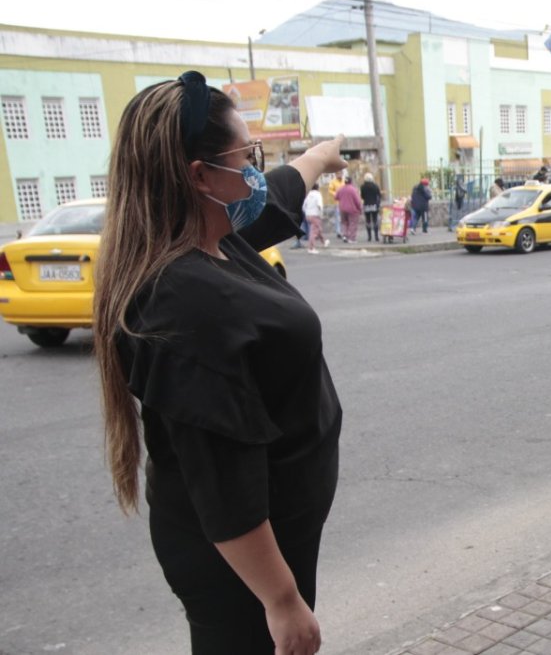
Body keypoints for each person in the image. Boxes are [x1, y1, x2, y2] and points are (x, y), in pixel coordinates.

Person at [92, 71, 346, 654]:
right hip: (242, 566)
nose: (256, 170)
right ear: (200, 176)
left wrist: (316, 158)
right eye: (247, 155)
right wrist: (281, 601)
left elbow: (279, 191)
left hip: (268, 545)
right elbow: (221, 476)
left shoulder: (213, 238)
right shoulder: (184, 299)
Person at [335, 175, 362, 243]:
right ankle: (352, 238)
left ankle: (345, 236)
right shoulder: (353, 189)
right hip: (352, 210)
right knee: (352, 223)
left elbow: (336, 197)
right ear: (351, 182)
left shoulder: (341, 189)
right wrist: (360, 208)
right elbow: (357, 201)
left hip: (342, 209)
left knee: (344, 223)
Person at [303, 183, 328, 253]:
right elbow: (319, 205)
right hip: (315, 214)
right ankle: (311, 248)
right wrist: (321, 214)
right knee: (314, 231)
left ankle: (324, 242)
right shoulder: (318, 195)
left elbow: (304, 206)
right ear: (318, 188)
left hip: (308, 214)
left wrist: (306, 212)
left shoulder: (308, 195)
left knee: (318, 228)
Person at [360, 173, 382, 243]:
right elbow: (379, 195)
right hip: (374, 205)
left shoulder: (363, 187)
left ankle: (369, 237)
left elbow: (362, 196)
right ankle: (376, 237)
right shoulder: (375, 186)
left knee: (368, 221)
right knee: (375, 220)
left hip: (366, 205)